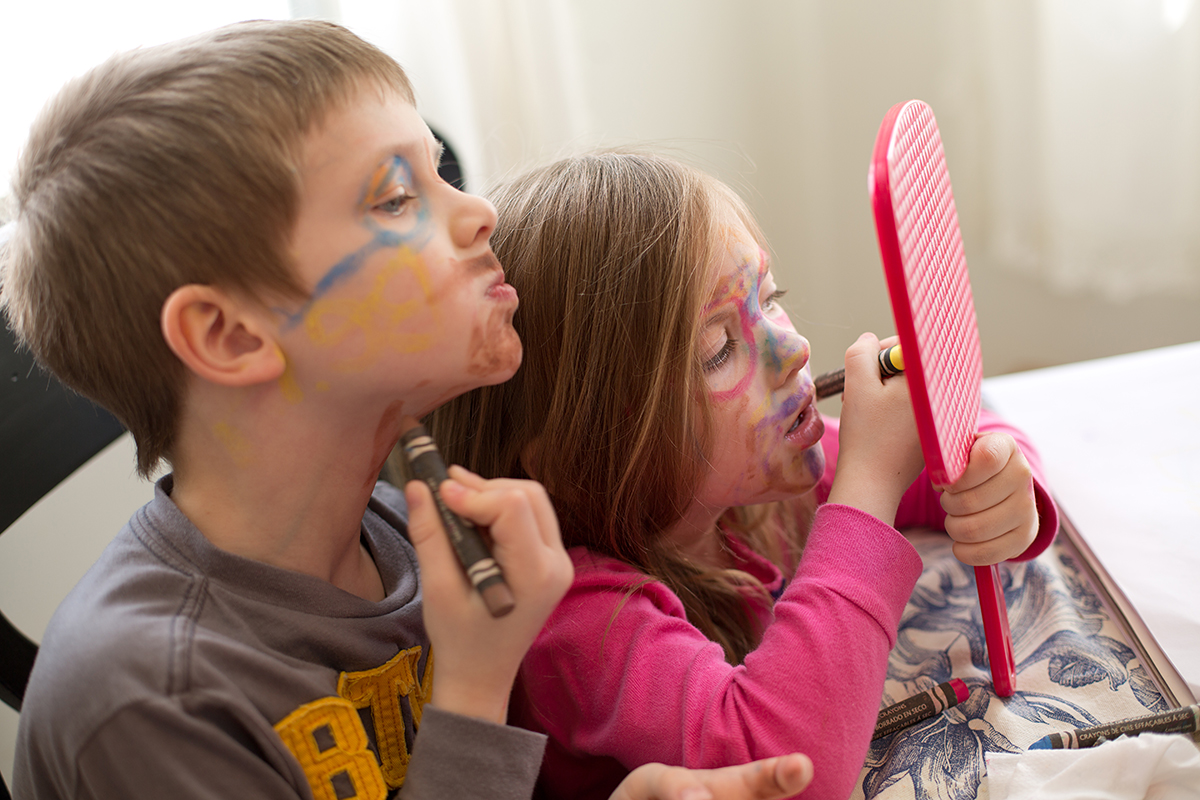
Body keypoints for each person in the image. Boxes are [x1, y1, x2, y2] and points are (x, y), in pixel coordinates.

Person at [0, 20, 813, 800]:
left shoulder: (425, 550)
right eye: (396, 198)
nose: (478, 212)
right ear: (228, 335)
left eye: (442, 175)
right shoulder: (146, 705)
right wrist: (471, 687)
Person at [425, 151, 1060, 800]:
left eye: (770, 300)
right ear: (576, 457)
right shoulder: (577, 624)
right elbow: (790, 772)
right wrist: (868, 483)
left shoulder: (747, 493)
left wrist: (1002, 482)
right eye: (718, 349)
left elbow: (949, 457)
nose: (794, 350)